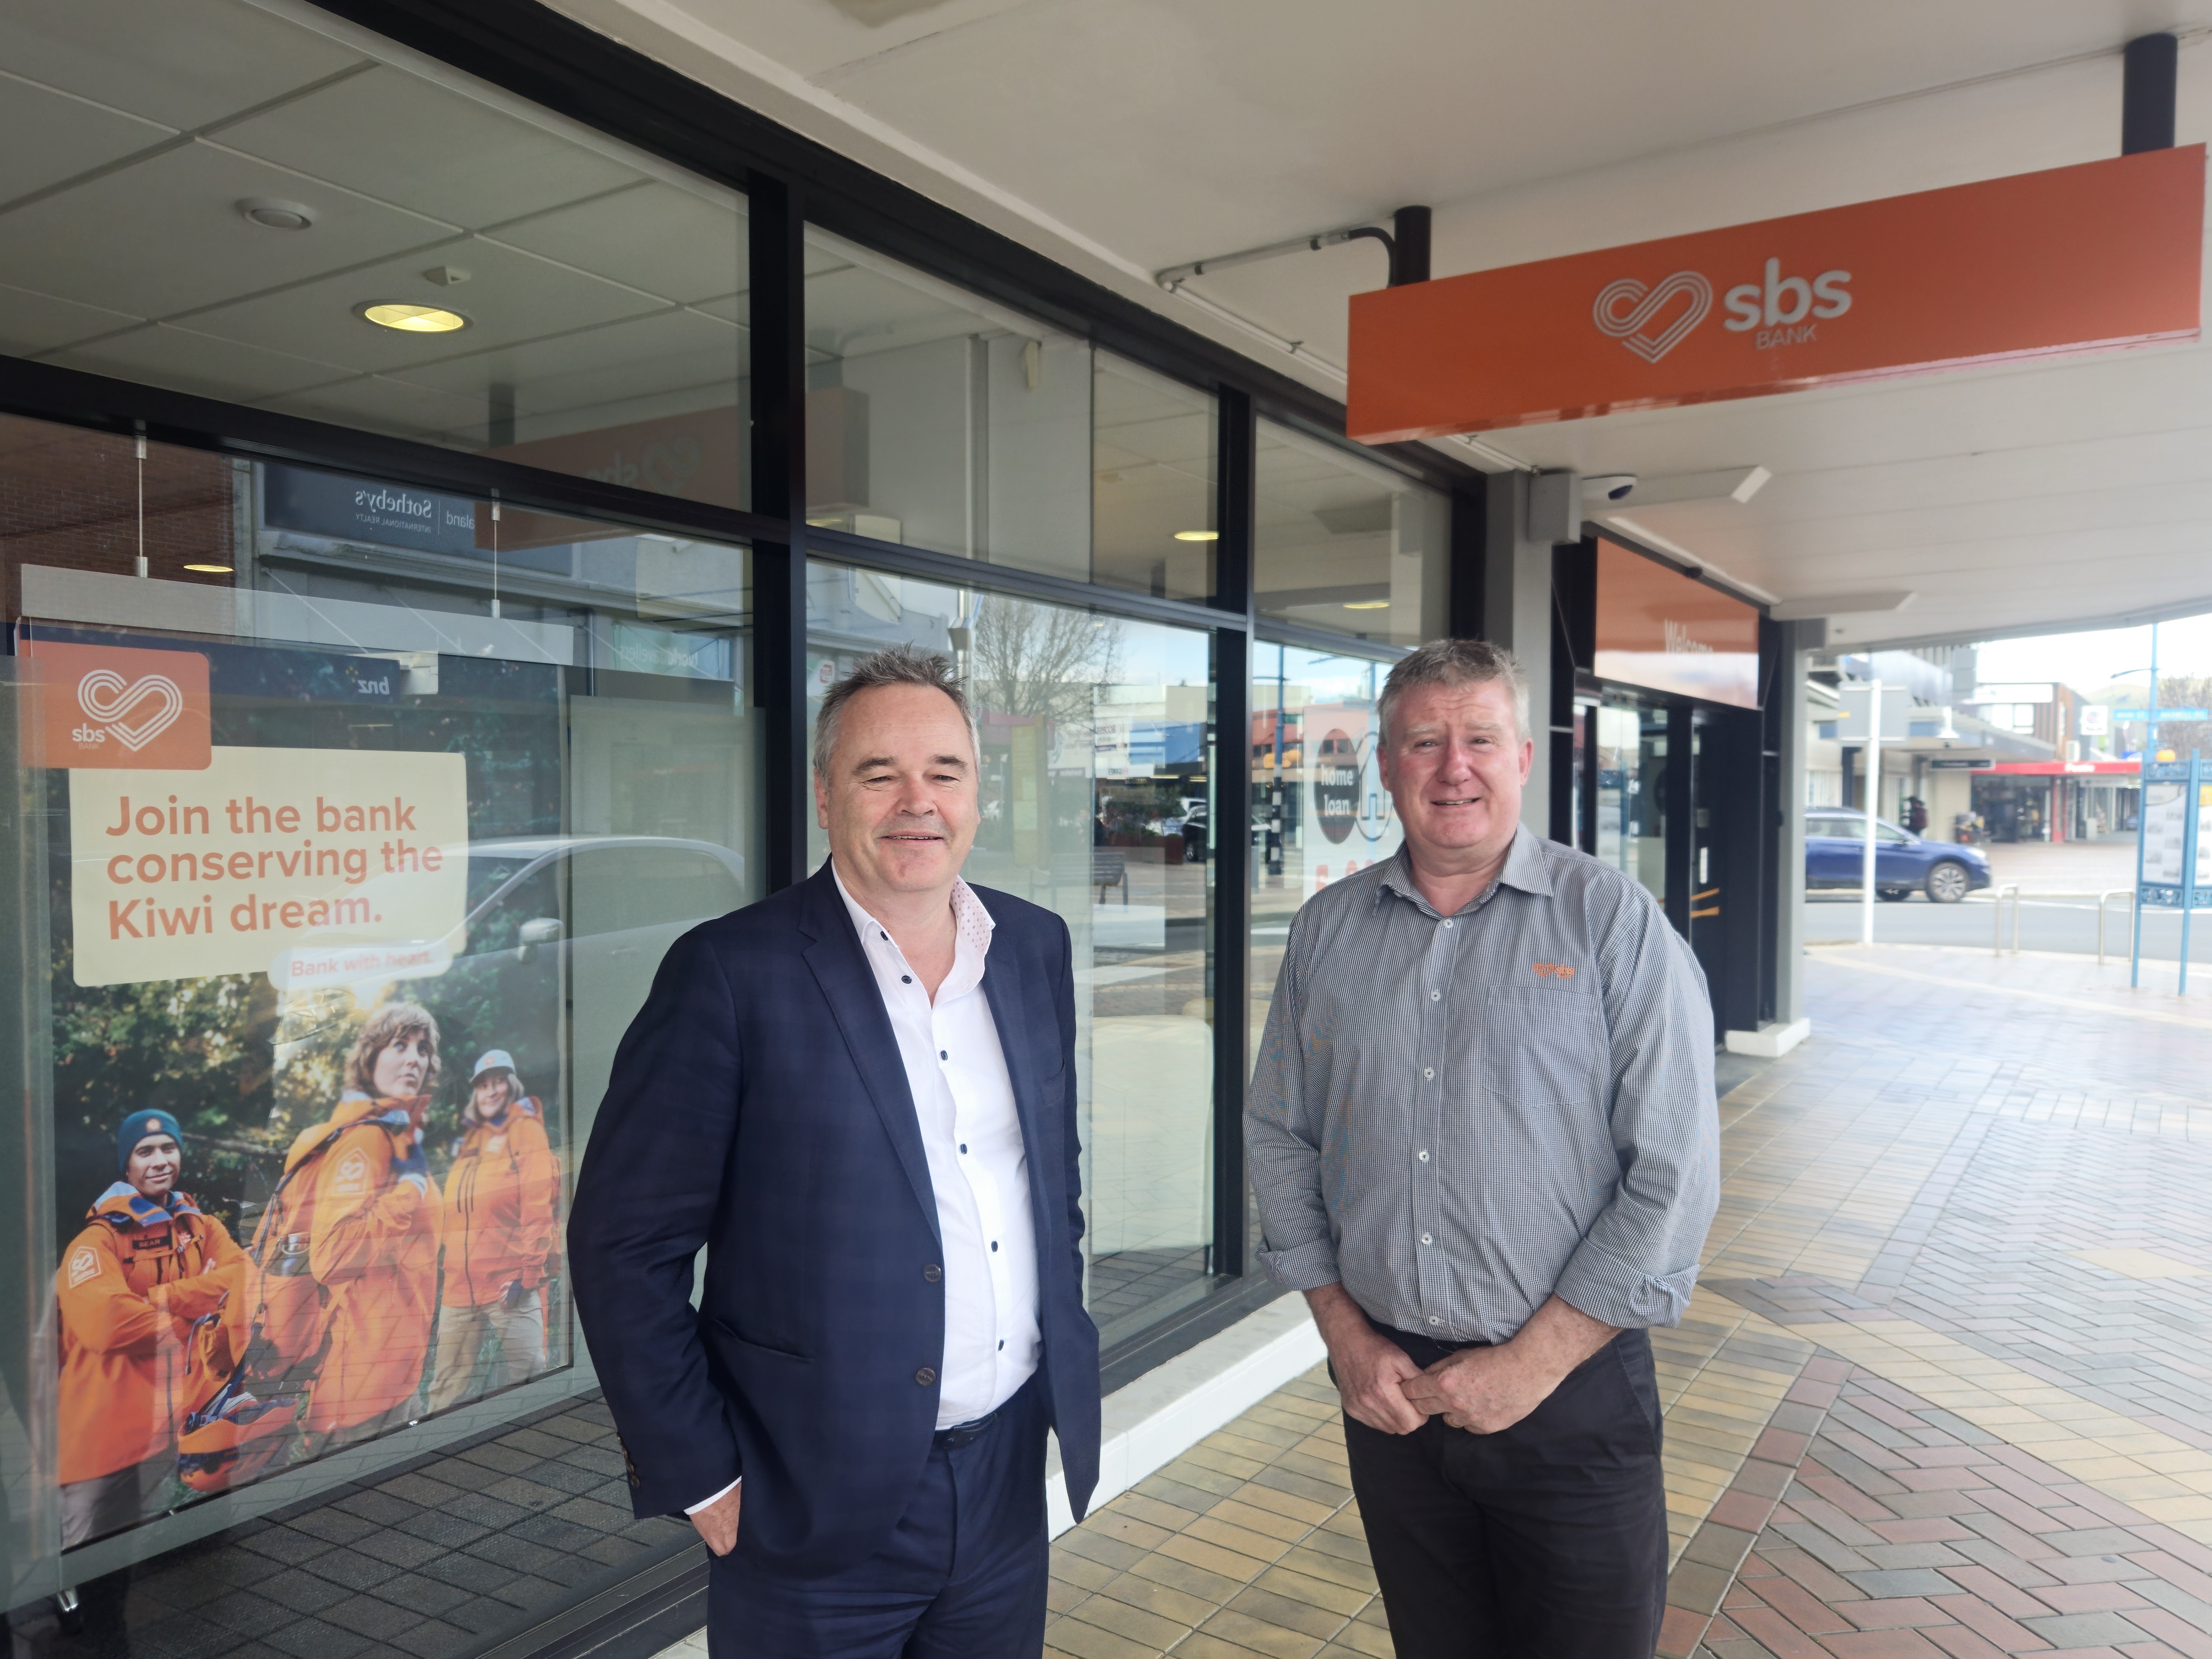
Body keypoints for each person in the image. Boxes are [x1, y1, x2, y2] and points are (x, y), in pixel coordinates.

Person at [569, 644, 1099, 1659]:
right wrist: (698, 1469)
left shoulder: (1032, 946)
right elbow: (623, 1245)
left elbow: (1048, 1181)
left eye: (944, 771)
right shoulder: (729, 973)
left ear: (976, 794)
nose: (917, 801)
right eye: (878, 774)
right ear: (824, 796)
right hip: (805, 1503)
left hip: (1004, 1484)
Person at [1246, 638, 1720, 1659]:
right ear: (1386, 766)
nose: (1452, 766)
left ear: (1523, 758)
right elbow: (1279, 1135)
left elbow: (1673, 1171)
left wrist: (1530, 1365)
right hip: (1391, 1398)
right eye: (1424, 741)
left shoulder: (1611, 923)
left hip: (1569, 1395)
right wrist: (1342, 1335)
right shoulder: (1329, 931)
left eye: (1479, 739)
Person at [55, 1109, 246, 1546]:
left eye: (168, 1148)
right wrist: (201, 1312)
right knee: (88, 1550)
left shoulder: (200, 1226)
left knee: (159, 1545)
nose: (160, 1161)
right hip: (103, 1432)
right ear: (126, 1165)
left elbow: (244, 1278)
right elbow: (108, 1325)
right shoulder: (97, 1241)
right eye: (145, 1152)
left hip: (173, 1421)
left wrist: (161, 1297)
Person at [267, 1003, 444, 1449]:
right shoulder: (366, 1139)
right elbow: (333, 1257)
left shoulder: (399, 1136)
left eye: (423, 1049)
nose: (414, 1059)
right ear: (370, 1058)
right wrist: (409, 1193)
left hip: (394, 1369)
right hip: (362, 1384)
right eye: (399, 1045)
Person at [427, 1050, 559, 1413]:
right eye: (483, 1085)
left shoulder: (526, 1132)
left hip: (509, 1285)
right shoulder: (472, 1141)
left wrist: (527, 1277)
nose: (491, 1091)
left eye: (499, 1081)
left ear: (511, 1086)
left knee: (530, 1374)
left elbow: (537, 1209)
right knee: (444, 1387)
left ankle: (533, 1437)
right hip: (459, 1287)